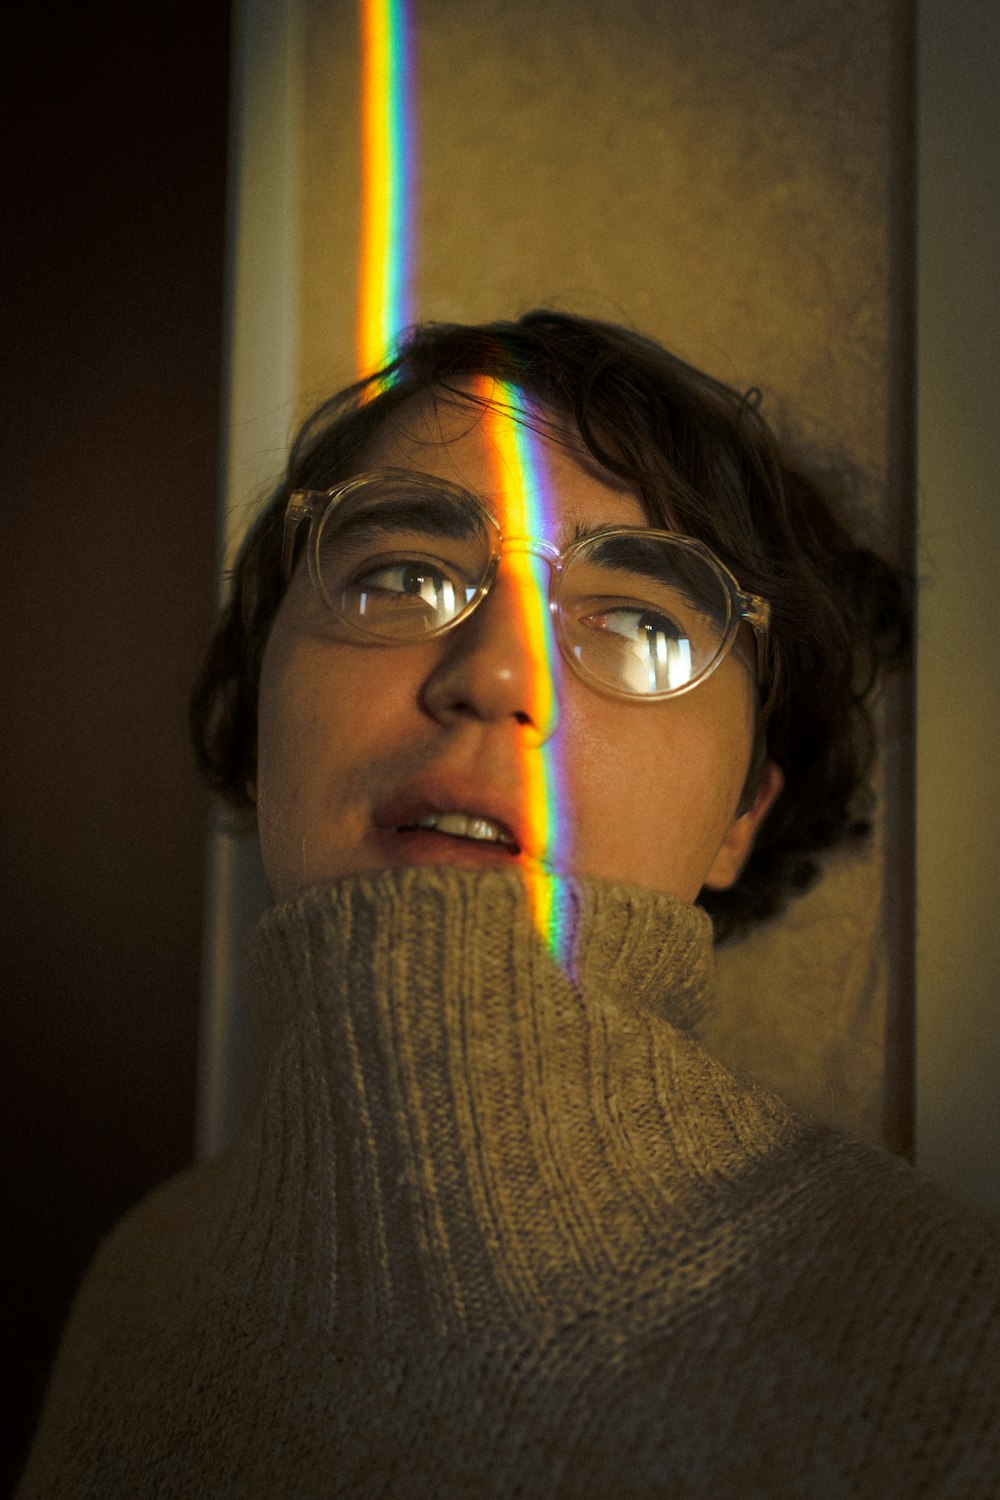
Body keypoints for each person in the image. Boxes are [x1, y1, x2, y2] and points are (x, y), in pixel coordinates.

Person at [18, 312, 999, 1497]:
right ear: (258, 706)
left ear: (743, 814)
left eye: (640, 623)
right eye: (402, 575)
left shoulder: (952, 1351)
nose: (494, 675)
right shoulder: (140, 1287)